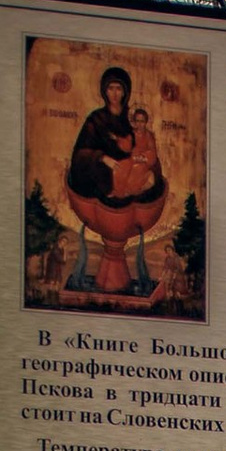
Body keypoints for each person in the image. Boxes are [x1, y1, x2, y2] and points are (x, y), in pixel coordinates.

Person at [62, 69, 167, 297]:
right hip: (102, 178)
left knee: (146, 177)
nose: (115, 93)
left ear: (126, 91)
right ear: (103, 90)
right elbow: (80, 154)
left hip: (133, 174)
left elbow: (148, 150)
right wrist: (103, 158)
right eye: (111, 88)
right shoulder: (96, 120)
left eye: (119, 88)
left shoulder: (133, 120)